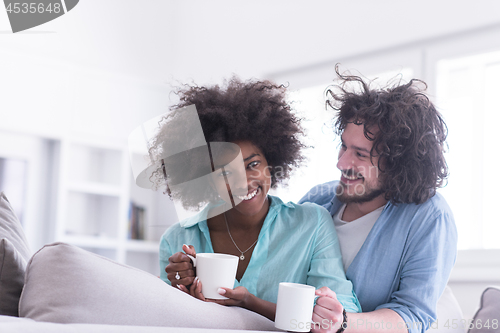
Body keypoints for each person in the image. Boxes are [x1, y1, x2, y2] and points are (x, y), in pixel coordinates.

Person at [148, 77, 361, 327]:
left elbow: (338, 312)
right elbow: (164, 322)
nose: (244, 182)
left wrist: (249, 303)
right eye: (225, 173)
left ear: (270, 161)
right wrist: (180, 294)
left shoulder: (311, 224)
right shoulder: (177, 239)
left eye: (253, 165)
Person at [299, 68, 458, 333]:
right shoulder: (319, 198)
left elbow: (412, 315)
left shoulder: (430, 217)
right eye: (343, 146)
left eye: (360, 155)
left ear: (398, 164)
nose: (341, 163)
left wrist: (343, 322)